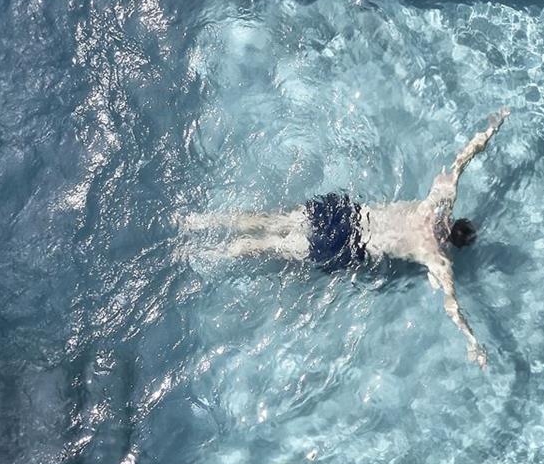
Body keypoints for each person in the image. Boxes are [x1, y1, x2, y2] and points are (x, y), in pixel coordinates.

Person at [180, 110, 509, 367]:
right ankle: (217, 252)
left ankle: (201, 222)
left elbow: (461, 161)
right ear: (453, 244)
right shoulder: (436, 257)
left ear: (452, 220)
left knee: (272, 220)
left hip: (347, 215)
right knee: (273, 246)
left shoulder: (434, 206)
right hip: (348, 247)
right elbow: (452, 306)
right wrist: (473, 344)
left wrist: (491, 129)